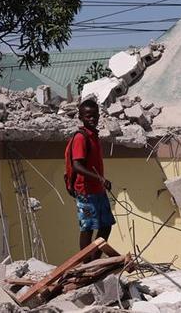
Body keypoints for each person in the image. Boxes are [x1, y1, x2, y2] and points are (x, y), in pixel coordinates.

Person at [64, 99, 115, 260]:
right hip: (85, 191)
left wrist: (100, 181)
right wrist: (99, 178)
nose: (92, 119)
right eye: (88, 116)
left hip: (97, 190)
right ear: (81, 117)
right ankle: (86, 263)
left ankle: (95, 259)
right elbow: (77, 165)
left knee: (106, 225)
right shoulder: (81, 137)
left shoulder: (94, 136)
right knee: (87, 228)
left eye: (94, 116)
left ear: (99, 116)